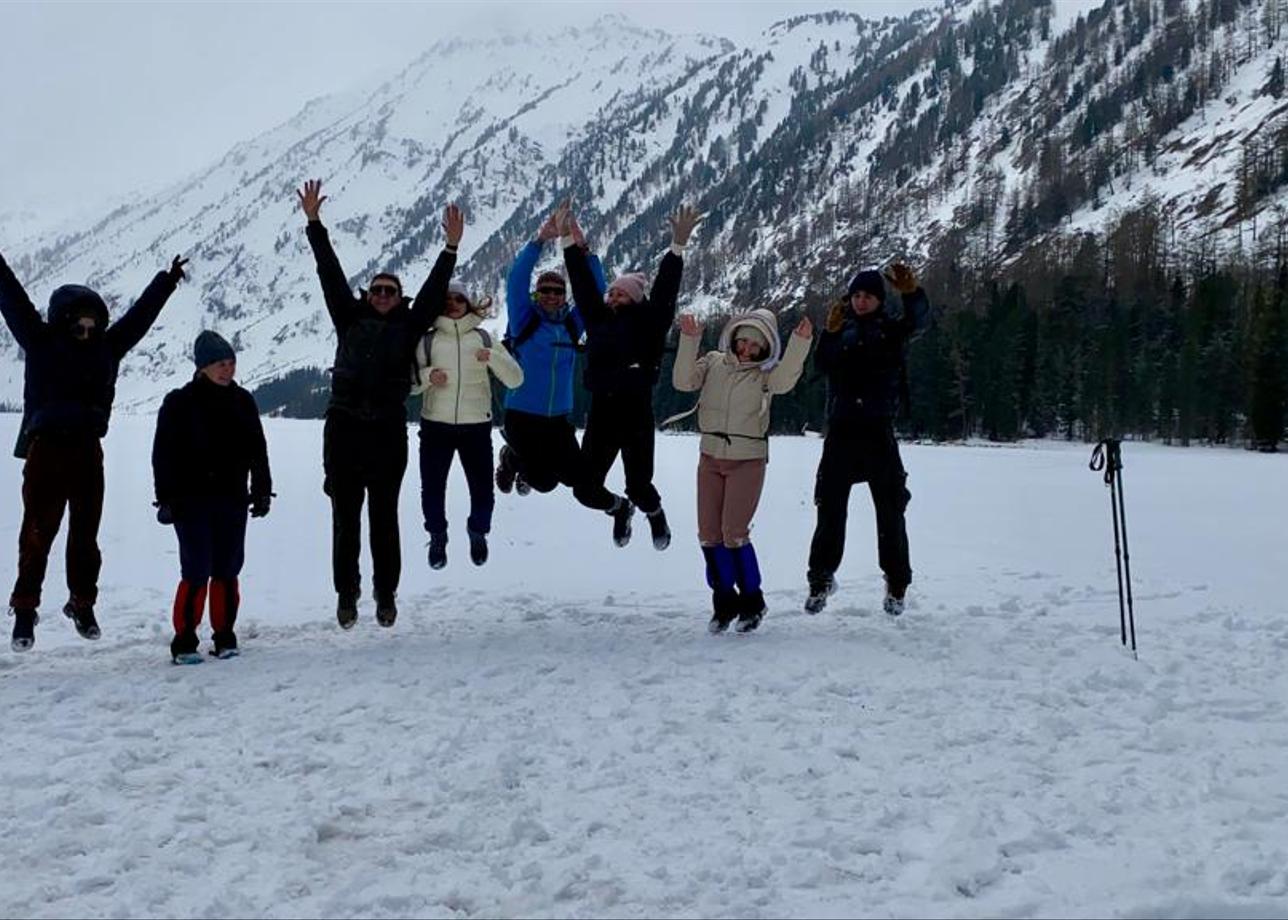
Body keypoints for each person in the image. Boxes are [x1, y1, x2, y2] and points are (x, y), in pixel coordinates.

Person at [1, 247, 187, 652]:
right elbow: (10, 297)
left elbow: (139, 318)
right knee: (37, 533)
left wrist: (166, 282)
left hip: (88, 451)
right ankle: (26, 611)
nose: (87, 333)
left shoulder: (107, 347)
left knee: (85, 535)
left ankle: (82, 605)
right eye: (79, 326)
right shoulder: (39, 340)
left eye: (93, 325)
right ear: (64, 321)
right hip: (45, 451)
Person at [297, 179, 461, 629]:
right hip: (345, 429)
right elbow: (329, 271)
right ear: (368, 295)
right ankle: (347, 595)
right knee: (345, 519)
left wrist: (449, 248)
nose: (384, 296)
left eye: (391, 290)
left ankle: (385, 595)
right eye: (377, 290)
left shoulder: (410, 325)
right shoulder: (348, 319)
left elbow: (432, 292)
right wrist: (314, 223)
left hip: (388, 431)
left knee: (385, 519)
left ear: (399, 296)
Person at [560, 203, 699, 549]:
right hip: (602, 413)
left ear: (635, 298)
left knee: (640, 485)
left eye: (619, 292)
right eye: (611, 292)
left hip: (636, 412)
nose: (611, 296)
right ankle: (620, 509)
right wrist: (566, 242)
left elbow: (666, 288)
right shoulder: (598, 319)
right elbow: (582, 284)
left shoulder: (651, 322)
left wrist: (677, 247)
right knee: (584, 488)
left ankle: (654, 514)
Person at [672, 308, 813, 632]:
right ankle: (724, 602)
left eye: (756, 346)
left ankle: (752, 602)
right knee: (709, 535)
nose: (747, 350)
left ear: (766, 349)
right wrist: (690, 339)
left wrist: (799, 345)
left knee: (733, 534)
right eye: (743, 341)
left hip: (747, 460)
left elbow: (786, 380)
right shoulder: (713, 362)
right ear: (734, 337)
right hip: (709, 456)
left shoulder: (767, 375)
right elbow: (682, 381)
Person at [495, 207, 632, 538]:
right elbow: (516, 278)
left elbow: (595, 290)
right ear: (537, 295)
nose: (553, 296)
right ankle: (511, 457)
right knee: (542, 481)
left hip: (558, 419)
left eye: (558, 292)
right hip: (522, 414)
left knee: (577, 480)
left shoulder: (573, 323)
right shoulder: (524, 320)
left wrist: (584, 251)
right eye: (546, 291)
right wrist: (540, 240)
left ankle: (619, 508)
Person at [804, 263, 930, 616]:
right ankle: (821, 579)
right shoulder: (839, 329)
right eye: (856, 295)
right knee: (829, 509)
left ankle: (897, 583)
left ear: (879, 299)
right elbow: (822, 365)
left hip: (878, 429)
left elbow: (919, 322)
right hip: (841, 429)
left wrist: (912, 293)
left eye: (868, 296)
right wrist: (828, 334)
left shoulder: (892, 330)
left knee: (890, 510)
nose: (861, 301)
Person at [152, 331, 272, 664]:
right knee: (196, 568)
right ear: (203, 366)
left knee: (227, 568)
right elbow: (163, 454)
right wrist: (166, 497)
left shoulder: (243, 400)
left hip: (232, 499)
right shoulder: (179, 402)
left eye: (231, 363)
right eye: (220, 364)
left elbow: (257, 450)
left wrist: (261, 489)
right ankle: (185, 640)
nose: (227, 369)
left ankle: (224, 635)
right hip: (191, 502)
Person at [411, 279, 523, 569]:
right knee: (432, 490)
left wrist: (494, 358)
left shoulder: (484, 339)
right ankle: (437, 536)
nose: (452, 304)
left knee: (483, 490)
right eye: (447, 300)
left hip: (476, 427)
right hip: (436, 426)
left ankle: (478, 532)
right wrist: (426, 378)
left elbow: (515, 379)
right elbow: (409, 386)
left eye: (458, 299)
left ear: (468, 303)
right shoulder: (428, 339)